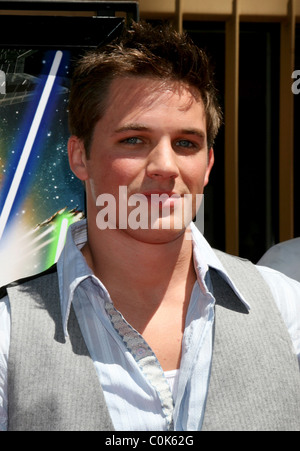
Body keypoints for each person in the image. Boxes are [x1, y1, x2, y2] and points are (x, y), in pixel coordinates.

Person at [0, 21, 300, 432]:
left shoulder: (287, 311)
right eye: (134, 140)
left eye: (186, 143)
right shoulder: (8, 334)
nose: (165, 167)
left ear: (208, 165)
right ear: (79, 157)